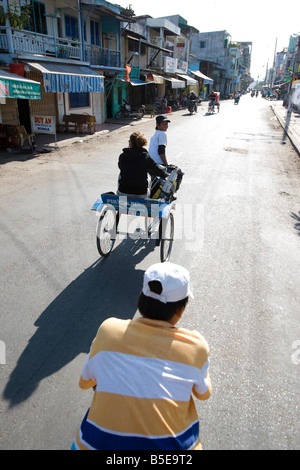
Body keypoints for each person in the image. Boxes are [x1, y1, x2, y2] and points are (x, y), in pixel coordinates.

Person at [72, 262, 212, 450]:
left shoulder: (108, 330)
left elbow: (85, 382)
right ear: (180, 310)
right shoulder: (196, 346)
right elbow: (203, 394)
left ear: (140, 297)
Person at [117, 131, 167, 197]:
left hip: (123, 191)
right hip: (140, 193)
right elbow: (156, 169)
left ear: (131, 142)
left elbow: (121, 167)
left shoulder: (122, 156)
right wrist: (165, 174)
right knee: (148, 179)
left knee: (120, 175)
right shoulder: (145, 157)